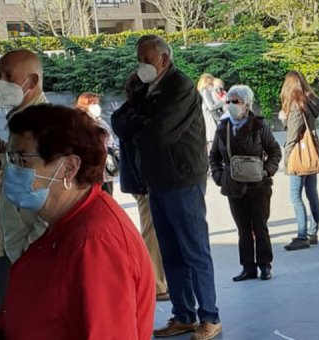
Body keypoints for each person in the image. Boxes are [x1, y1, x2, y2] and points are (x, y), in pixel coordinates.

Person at [0, 105, 154, 339]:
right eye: (10, 159)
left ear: (69, 168)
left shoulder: (96, 242)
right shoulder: (64, 221)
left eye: (21, 160)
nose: (11, 170)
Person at [111, 35, 221, 340]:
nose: (141, 65)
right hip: (155, 180)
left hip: (182, 178)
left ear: (164, 59)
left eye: (147, 59)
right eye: (139, 58)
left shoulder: (180, 87)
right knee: (170, 252)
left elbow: (161, 132)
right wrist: (139, 121)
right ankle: (184, 315)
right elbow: (119, 121)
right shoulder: (143, 88)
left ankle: (209, 317)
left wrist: (138, 123)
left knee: (194, 250)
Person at [210, 85, 281, 278]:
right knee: (243, 228)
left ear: (247, 104)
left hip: (258, 185)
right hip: (234, 185)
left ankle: (265, 265)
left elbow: (275, 150)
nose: (232, 105)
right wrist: (219, 177)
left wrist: (266, 171)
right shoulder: (223, 127)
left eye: (236, 101)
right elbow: (214, 156)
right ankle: (248, 267)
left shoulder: (258, 125)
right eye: (229, 101)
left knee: (260, 226)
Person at [0, 49, 48, 307]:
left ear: (32, 82)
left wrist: (31, 247)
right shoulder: (19, 120)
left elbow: (51, 192)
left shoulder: (43, 127)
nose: (0, 83)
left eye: (7, 75)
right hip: (15, 244)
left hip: (27, 247)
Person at [116, 73, 169, 302]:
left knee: (152, 230)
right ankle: (156, 283)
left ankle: (158, 281)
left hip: (139, 182)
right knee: (152, 232)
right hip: (145, 182)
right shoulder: (135, 115)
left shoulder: (124, 114)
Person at [279, 71, 319, 251]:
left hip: (299, 153)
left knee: (295, 196)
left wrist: (287, 157)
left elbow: (293, 135)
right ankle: (313, 232)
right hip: (312, 150)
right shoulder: (310, 100)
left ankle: (302, 235)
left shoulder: (296, 104)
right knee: (312, 192)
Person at [75, 92, 119, 196]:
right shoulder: (78, 123)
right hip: (88, 171)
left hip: (105, 171)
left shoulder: (101, 122)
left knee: (106, 197)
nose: (96, 106)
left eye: (97, 103)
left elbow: (111, 144)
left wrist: (117, 155)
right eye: (92, 103)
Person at [197, 73, 222, 146]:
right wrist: (221, 102)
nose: (213, 83)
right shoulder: (205, 92)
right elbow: (211, 107)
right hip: (210, 119)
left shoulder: (202, 92)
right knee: (212, 140)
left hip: (208, 119)